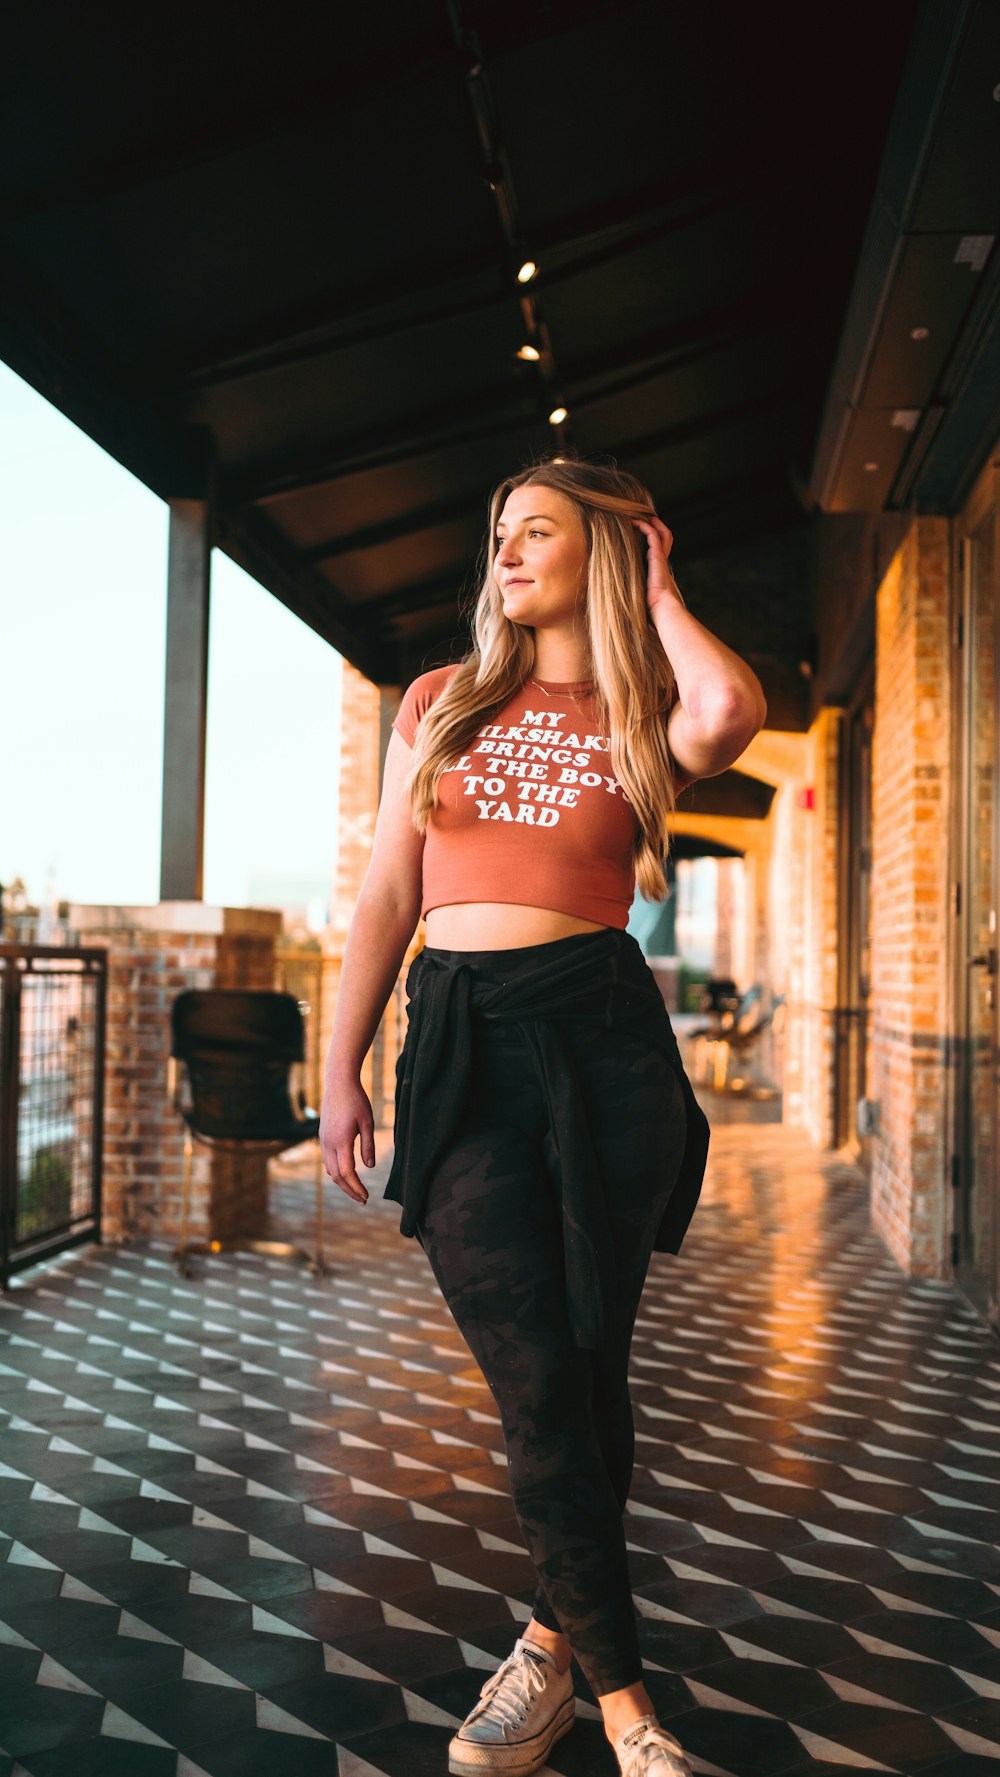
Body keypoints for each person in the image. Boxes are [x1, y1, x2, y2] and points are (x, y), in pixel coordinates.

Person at [320, 458, 766, 1777]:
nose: (506, 553)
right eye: (500, 532)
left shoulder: (636, 705)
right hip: (460, 1040)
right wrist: (342, 1065)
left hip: (600, 1039)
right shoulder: (441, 703)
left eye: (539, 533)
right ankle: (633, 1713)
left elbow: (732, 703)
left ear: (605, 553)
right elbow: (389, 891)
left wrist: (660, 577)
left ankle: (548, 1654)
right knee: (533, 1366)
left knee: (585, 1358)